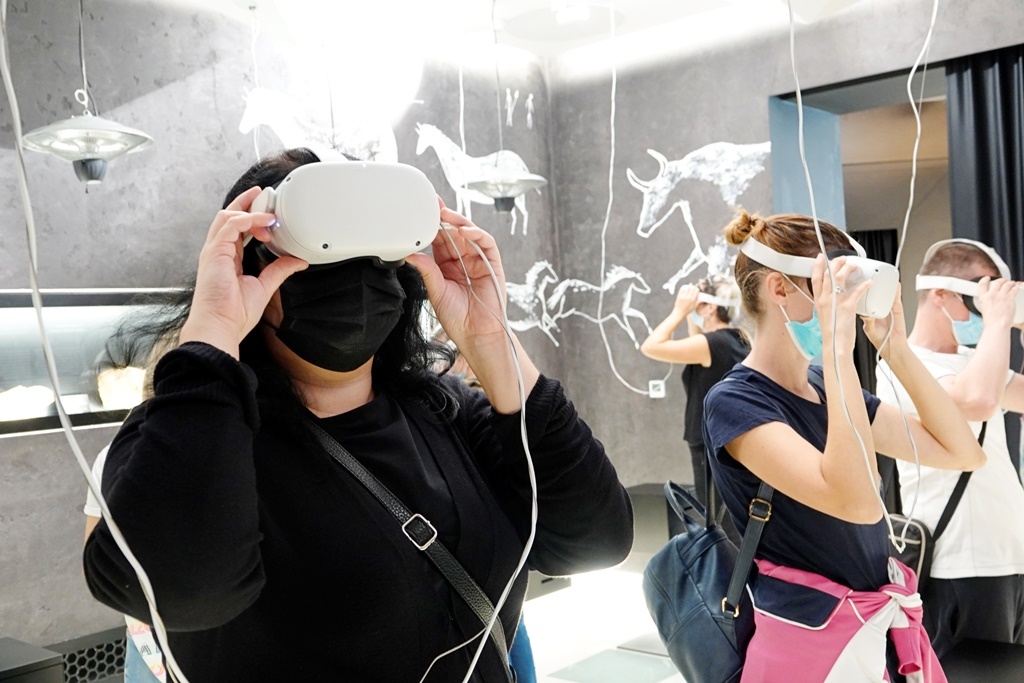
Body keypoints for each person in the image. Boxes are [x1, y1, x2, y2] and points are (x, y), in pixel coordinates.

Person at [81, 148, 634, 682]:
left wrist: (491, 339)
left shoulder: (450, 414)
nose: (357, 276)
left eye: (376, 254)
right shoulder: (190, 439)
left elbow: (595, 541)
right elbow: (182, 591)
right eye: (322, 251)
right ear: (252, 266)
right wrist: (213, 333)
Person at [703, 211, 985, 681]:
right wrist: (838, 352)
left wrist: (896, 349)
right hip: (807, 640)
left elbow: (962, 452)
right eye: (834, 286)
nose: (846, 303)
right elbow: (856, 502)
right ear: (779, 289)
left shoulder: (823, 384)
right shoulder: (734, 402)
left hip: (873, 630)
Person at [874, 239, 1024, 658]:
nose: (989, 308)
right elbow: (977, 400)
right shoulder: (903, 366)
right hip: (959, 564)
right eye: (981, 294)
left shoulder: (973, 360)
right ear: (940, 293)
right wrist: (998, 324)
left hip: (1008, 557)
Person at [641, 276, 750, 518]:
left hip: (710, 445)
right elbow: (696, 339)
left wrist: (679, 311)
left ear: (710, 307)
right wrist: (692, 314)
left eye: (697, 298)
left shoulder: (711, 344)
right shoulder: (733, 339)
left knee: (719, 518)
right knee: (730, 514)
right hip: (726, 439)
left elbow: (650, 346)